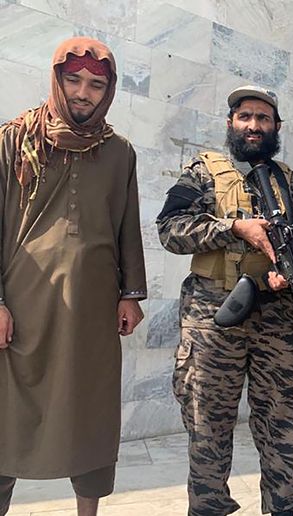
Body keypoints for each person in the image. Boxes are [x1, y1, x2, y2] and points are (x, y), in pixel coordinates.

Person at [156, 85, 293, 516]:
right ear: (231, 123)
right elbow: (170, 229)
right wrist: (233, 228)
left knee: (284, 427)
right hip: (213, 316)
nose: (254, 125)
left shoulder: (291, 182)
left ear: (276, 127)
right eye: (245, 117)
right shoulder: (203, 173)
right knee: (207, 424)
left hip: (280, 318)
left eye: (263, 119)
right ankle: (209, 508)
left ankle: (285, 507)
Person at [0, 37, 147, 516]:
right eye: (74, 79)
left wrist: (130, 293)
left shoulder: (120, 152)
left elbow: (127, 225)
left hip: (92, 311)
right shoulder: (13, 139)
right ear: (57, 79)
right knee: (7, 419)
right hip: (20, 309)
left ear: (109, 90)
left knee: (91, 415)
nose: (84, 92)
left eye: (96, 84)